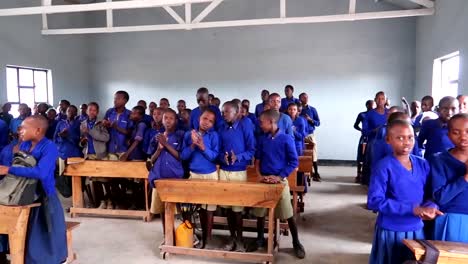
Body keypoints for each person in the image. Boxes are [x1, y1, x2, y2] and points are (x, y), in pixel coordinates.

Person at [367, 119, 442, 264]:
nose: (406, 142)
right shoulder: (383, 166)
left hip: (416, 228)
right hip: (391, 228)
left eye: (410, 137)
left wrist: (431, 207)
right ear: (388, 140)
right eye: (400, 138)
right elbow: (374, 201)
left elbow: (430, 194)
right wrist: (412, 209)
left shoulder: (422, 164)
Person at [0, 115, 68, 264]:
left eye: (24, 128)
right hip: (23, 194)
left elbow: (41, 173)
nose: (20, 131)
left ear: (37, 130)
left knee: (43, 236)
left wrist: (9, 170)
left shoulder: (49, 147)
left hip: (44, 196)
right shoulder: (24, 145)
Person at [248, 109, 305, 259]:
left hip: (280, 181)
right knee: (260, 213)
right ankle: (260, 239)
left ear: (271, 122)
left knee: (288, 213)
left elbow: (294, 162)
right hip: (264, 180)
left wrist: (279, 177)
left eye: (262, 122)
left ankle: (296, 242)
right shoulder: (263, 139)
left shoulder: (286, 139)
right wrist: (260, 176)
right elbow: (257, 160)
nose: (260, 125)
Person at [217, 101, 255, 251]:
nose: (223, 114)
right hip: (224, 171)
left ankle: (240, 239)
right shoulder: (221, 127)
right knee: (227, 208)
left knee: (237, 209)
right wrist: (222, 158)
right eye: (222, 112)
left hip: (239, 171)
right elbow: (218, 150)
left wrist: (237, 157)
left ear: (236, 113)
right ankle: (231, 237)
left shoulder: (245, 126)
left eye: (226, 112)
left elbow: (252, 150)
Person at [181, 109, 219, 249]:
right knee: (191, 208)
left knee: (208, 209)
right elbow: (183, 156)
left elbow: (215, 157)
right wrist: (192, 145)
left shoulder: (214, 136)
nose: (207, 123)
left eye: (210, 121)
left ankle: (207, 239)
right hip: (194, 175)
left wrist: (202, 147)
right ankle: (192, 237)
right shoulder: (188, 135)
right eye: (204, 119)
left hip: (210, 175)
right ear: (198, 119)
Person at [430, 113, 468, 243]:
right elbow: (440, 197)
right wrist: (465, 178)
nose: (463, 137)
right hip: (452, 219)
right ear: (448, 135)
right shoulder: (440, 160)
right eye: (456, 132)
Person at [147, 108, 185, 232]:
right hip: (159, 177)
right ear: (162, 121)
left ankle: (179, 235)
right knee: (163, 210)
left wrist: (166, 145)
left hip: (174, 177)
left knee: (176, 210)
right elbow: (151, 160)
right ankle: (167, 235)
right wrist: (159, 149)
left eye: (171, 118)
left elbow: (181, 157)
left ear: (175, 121)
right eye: (165, 118)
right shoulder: (156, 137)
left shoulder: (180, 136)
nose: (168, 121)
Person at [79, 102, 110, 209]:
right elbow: (81, 140)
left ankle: (108, 200)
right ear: (86, 111)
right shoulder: (83, 123)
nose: (91, 112)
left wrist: (90, 132)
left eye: (94, 110)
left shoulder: (101, 123)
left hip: (100, 154)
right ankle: (98, 202)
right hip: (89, 154)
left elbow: (106, 138)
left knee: (104, 179)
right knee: (93, 180)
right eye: (90, 109)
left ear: (97, 112)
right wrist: (82, 141)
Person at [102, 91, 132, 160]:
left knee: (122, 170)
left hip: (123, 150)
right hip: (110, 148)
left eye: (118, 99)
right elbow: (103, 126)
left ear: (125, 101)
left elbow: (130, 132)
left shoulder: (129, 114)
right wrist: (105, 124)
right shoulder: (109, 111)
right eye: (114, 98)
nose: (115, 101)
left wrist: (116, 127)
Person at [299, 92, 321, 181]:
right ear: (300, 99)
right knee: (302, 154)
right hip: (300, 135)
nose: (306, 99)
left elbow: (318, 123)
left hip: (310, 135)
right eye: (304, 97)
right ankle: (304, 172)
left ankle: (316, 173)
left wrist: (310, 120)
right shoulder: (298, 110)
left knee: (314, 153)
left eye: (307, 97)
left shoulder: (312, 109)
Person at [54, 105, 81, 175]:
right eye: (69, 111)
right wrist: (61, 136)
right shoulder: (60, 123)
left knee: (74, 174)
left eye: (73, 111)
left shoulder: (79, 123)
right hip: (62, 151)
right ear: (66, 112)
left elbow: (80, 138)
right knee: (62, 173)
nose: (70, 112)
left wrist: (68, 136)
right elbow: (55, 138)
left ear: (76, 113)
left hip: (74, 152)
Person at [354, 100, 375, 182]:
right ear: (367, 106)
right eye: (370, 105)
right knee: (361, 155)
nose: (372, 107)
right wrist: (361, 130)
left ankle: (367, 174)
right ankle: (358, 174)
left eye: (373, 105)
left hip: (373, 137)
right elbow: (355, 125)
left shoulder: (375, 115)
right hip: (365, 137)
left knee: (370, 156)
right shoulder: (362, 114)